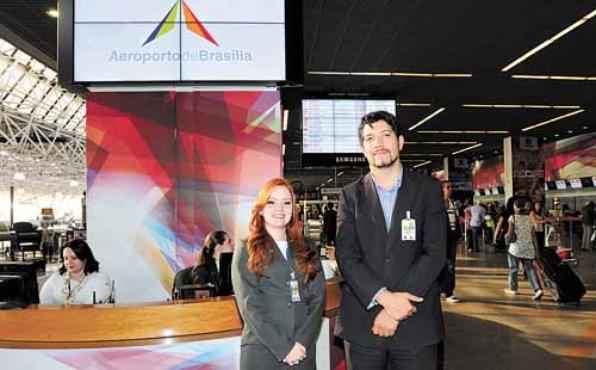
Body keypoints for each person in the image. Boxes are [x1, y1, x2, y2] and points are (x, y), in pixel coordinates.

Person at [336, 110, 446, 370]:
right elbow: (347, 257)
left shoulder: (428, 190)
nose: (379, 144)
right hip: (363, 322)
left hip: (416, 324)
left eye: (386, 135)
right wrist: (383, 298)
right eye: (370, 138)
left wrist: (396, 307)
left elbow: (436, 252)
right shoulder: (350, 196)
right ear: (363, 149)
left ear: (400, 142)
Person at [231, 178, 325, 369]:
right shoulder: (246, 249)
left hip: (302, 352)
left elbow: (318, 300)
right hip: (263, 352)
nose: (279, 209)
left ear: (293, 208)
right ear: (261, 209)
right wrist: (284, 348)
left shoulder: (308, 247)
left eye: (286, 202)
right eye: (271, 202)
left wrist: (302, 343)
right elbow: (250, 306)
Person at [40, 239, 112, 305]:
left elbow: (95, 305)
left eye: (74, 258)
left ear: (84, 259)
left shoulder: (99, 279)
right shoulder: (57, 277)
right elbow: (44, 299)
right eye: (66, 258)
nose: (69, 262)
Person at [173, 230, 234, 298]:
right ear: (218, 247)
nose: (233, 244)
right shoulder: (202, 271)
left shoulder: (229, 266)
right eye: (229, 242)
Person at [504, 200, 543, 300]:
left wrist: (506, 238)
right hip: (528, 248)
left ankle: (513, 288)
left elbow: (510, 233)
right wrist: (536, 249)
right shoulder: (530, 219)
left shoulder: (512, 218)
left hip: (515, 248)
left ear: (515, 207)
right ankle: (537, 289)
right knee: (530, 270)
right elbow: (533, 236)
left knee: (513, 269)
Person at [439, 181, 461, 304]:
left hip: (452, 239)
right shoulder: (436, 204)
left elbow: (456, 220)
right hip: (440, 239)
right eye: (447, 187)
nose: (450, 189)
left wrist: (459, 236)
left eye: (451, 187)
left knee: (451, 266)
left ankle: (449, 292)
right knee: (440, 265)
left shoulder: (453, 204)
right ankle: (441, 289)